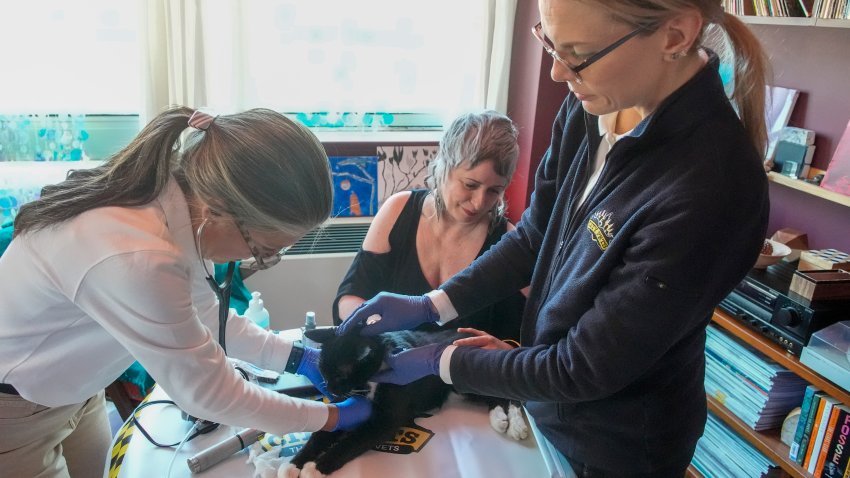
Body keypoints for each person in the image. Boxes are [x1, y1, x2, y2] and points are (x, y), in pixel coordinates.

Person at [338, 0, 771, 476]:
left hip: (616, 445)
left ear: (675, 36)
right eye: (548, 41)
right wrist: (436, 304)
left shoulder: (711, 187)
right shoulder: (594, 105)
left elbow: (581, 368)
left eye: (578, 53)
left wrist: (444, 361)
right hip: (547, 407)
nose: (557, 73)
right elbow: (534, 239)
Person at [0, 107, 372, 478]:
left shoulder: (182, 207)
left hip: (76, 392)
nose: (255, 259)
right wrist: (330, 417)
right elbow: (209, 394)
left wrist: (298, 357)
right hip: (14, 411)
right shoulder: (139, 255)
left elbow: (207, 315)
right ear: (221, 210)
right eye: (262, 249)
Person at [333, 110, 525, 344]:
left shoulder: (510, 244)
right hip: (390, 367)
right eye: (470, 184)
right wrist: (381, 333)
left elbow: (533, 335)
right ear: (444, 164)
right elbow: (351, 296)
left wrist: (505, 349)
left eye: (494, 191)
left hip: (464, 377)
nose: (479, 202)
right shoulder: (398, 211)